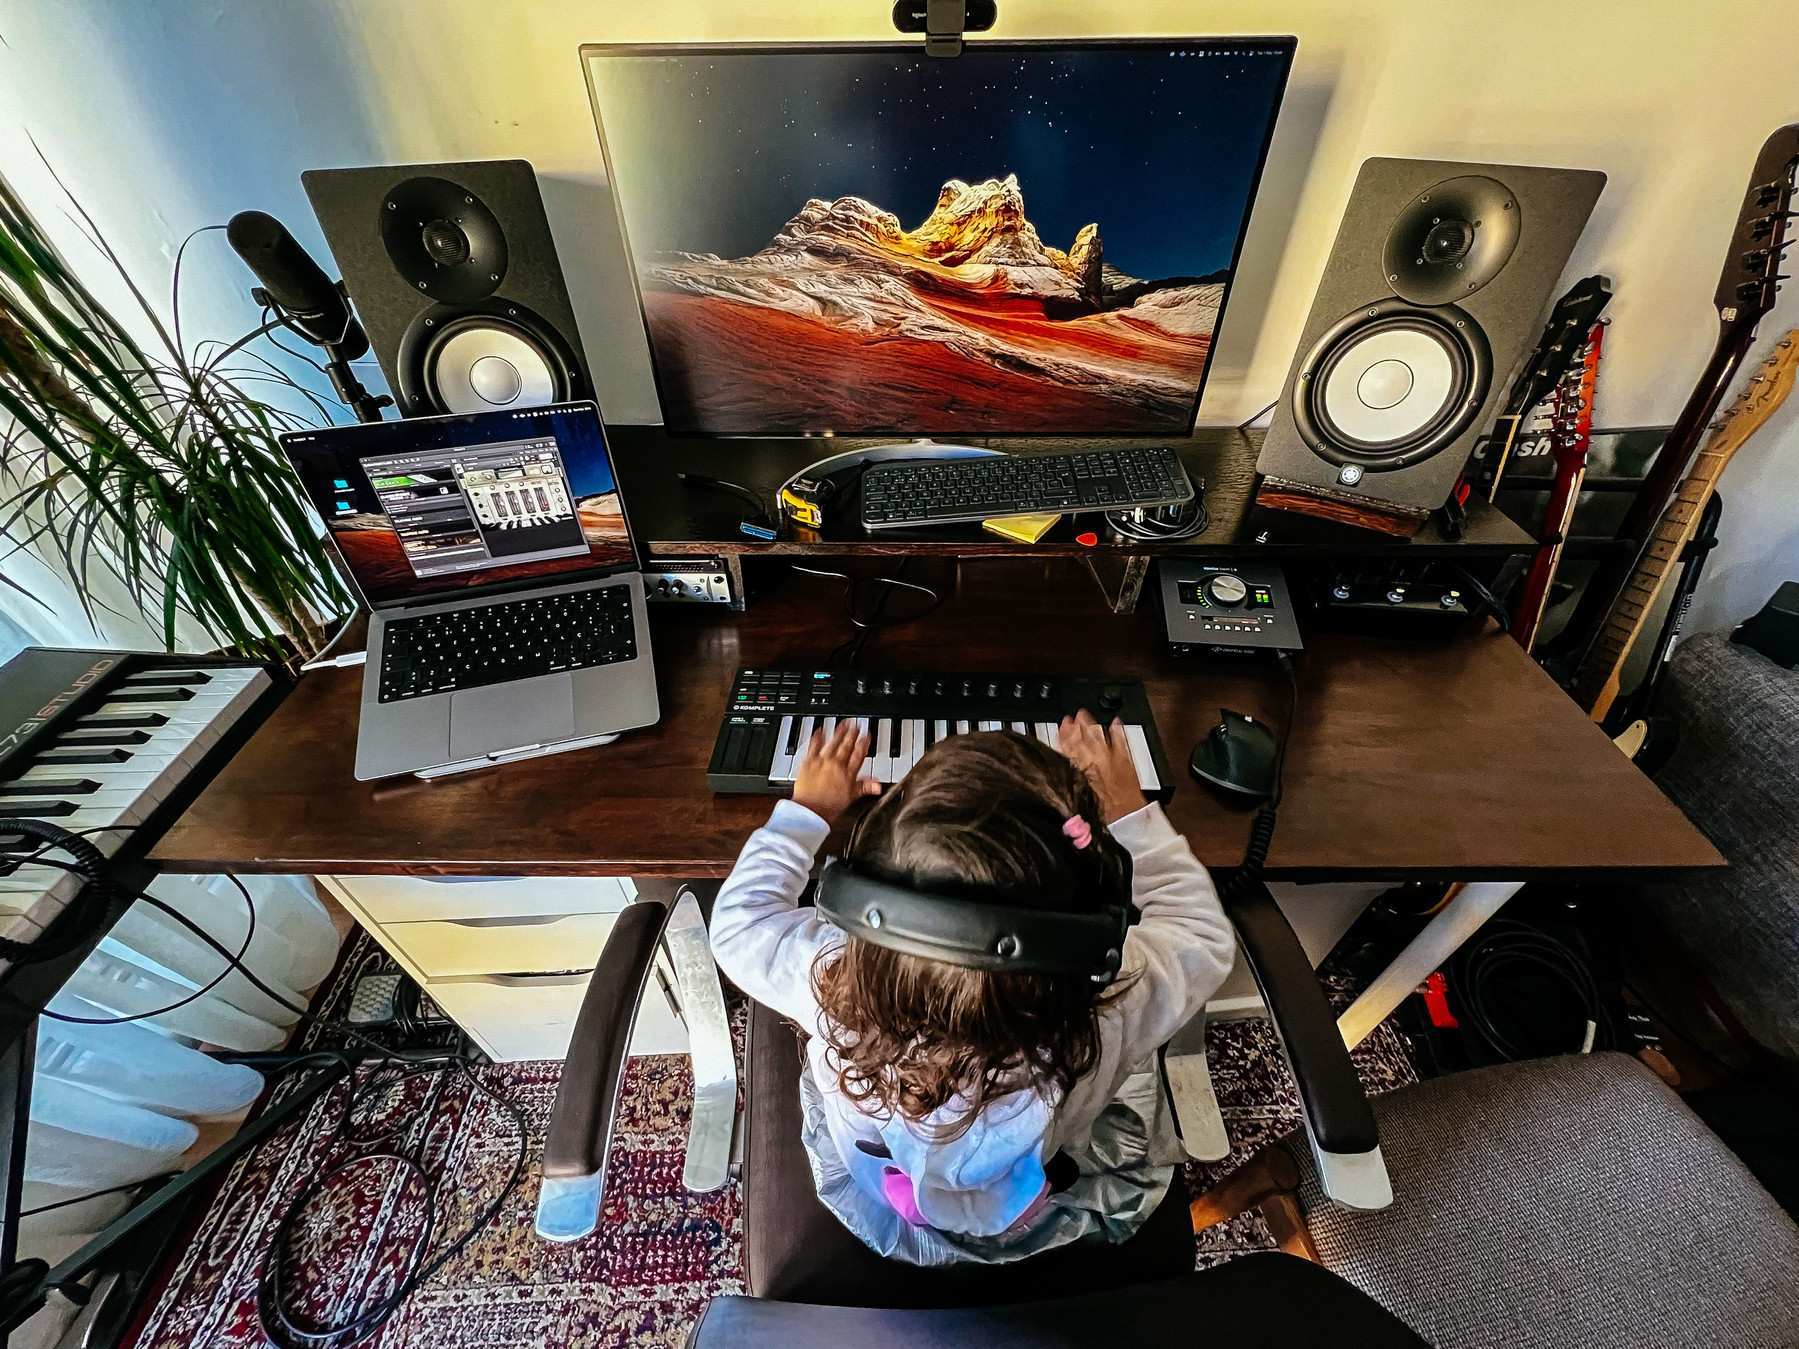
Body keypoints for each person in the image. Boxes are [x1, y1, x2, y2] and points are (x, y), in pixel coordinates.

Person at [710, 714, 1234, 1265]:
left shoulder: (830, 981)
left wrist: (807, 814)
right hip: (1042, 1159)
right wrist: (1131, 811)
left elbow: (739, 924)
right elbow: (1201, 935)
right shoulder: (1112, 1008)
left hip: (878, 1168)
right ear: (1086, 924)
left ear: (863, 897)